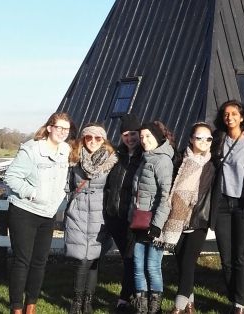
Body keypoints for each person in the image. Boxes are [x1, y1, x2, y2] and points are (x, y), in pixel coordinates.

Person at [4, 111, 73, 314]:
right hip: (24, 211)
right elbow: (11, 176)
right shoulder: (32, 149)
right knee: (22, 261)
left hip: (48, 213)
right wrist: (31, 192)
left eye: (66, 129)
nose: (62, 132)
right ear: (50, 127)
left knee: (40, 262)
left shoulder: (66, 150)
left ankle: (30, 307)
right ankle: (16, 308)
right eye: (59, 127)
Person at [157, 121, 215, 314]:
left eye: (208, 138)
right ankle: (190, 303)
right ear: (191, 139)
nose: (204, 141)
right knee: (182, 262)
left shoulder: (213, 164)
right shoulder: (180, 160)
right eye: (199, 137)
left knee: (189, 261)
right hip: (177, 218)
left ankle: (178, 307)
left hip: (198, 218)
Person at [210, 100, 244, 314]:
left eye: (233, 113)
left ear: (241, 117)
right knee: (226, 257)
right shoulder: (218, 139)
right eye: (226, 114)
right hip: (221, 203)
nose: (229, 117)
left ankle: (240, 302)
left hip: (242, 204)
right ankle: (234, 295)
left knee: (240, 256)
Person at [64, 122, 118, 314]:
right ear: (83, 138)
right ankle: (76, 301)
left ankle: (88, 301)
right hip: (78, 211)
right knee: (81, 258)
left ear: (104, 140)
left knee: (94, 258)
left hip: (99, 213)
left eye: (98, 138)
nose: (93, 141)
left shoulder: (111, 160)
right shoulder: (74, 157)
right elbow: (67, 184)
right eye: (89, 137)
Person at [130, 121, 175, 314]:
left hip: (154, 222)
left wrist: (157, 226)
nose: (144, 140)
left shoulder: (162, 161)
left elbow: (165, 196)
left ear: (158, 137)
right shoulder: (145, 158)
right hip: (140, 220)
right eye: (141, 137)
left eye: (148, 136)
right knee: (138, 265)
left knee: (152, 266)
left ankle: (154, 309)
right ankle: (142, 308)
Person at [104, 113, 143, 313]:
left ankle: (125, 298)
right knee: (127, 258)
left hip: (132, 217)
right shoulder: (116, 157)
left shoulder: (144, 157)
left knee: (131, 258)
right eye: (126, 134)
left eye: (133, 133)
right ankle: (134, 295)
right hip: (114, 216)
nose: (130, 138)